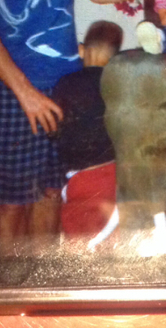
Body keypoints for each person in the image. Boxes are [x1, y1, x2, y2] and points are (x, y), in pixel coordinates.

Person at [0, 0, 165, 254]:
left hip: (64, 88)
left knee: (52, 193)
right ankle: (8, 280)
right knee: (12, 201)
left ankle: (42, 275)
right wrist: (26, 93)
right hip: (11, 92)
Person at [50, 20, 122, 239]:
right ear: (114, 59)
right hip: (113, 169)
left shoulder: (65, 83)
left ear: (81, 50)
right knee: (110, 230)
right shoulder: (116, 84)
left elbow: (54, 127)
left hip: (80, 174)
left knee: (80, 234)